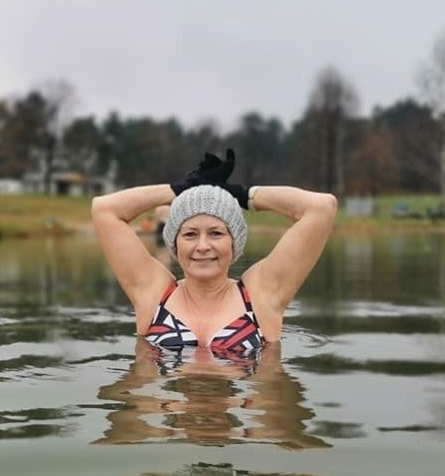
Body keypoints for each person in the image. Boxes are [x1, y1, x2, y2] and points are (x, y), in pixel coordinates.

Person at [91, 149, 336, 354]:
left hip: (239, 409)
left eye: (216, 233)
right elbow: (104, 209)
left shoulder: (262, 294)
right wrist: (180, 189)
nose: (203, 246)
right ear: (175, 243)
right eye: (190, 234)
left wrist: (243, 195)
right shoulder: (154, 293)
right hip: (169, 408)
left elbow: (322, 207)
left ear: (233, 242)